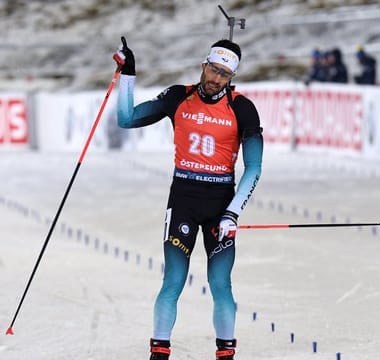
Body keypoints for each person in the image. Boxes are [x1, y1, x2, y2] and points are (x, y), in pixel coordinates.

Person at [113, 36, 263, 360]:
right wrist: (128, 74)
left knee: (220, 283)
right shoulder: (178, 97)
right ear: (203, 65)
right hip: (182, 199)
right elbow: (126, 119)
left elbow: (254, 168)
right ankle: (159, 352)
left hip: (220, 205)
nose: (216, 79)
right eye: (213, 70)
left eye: (224, 74)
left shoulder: (241, 108)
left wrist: (232, 213)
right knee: (173, 280)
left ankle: (225, 353)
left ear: (231, 77)